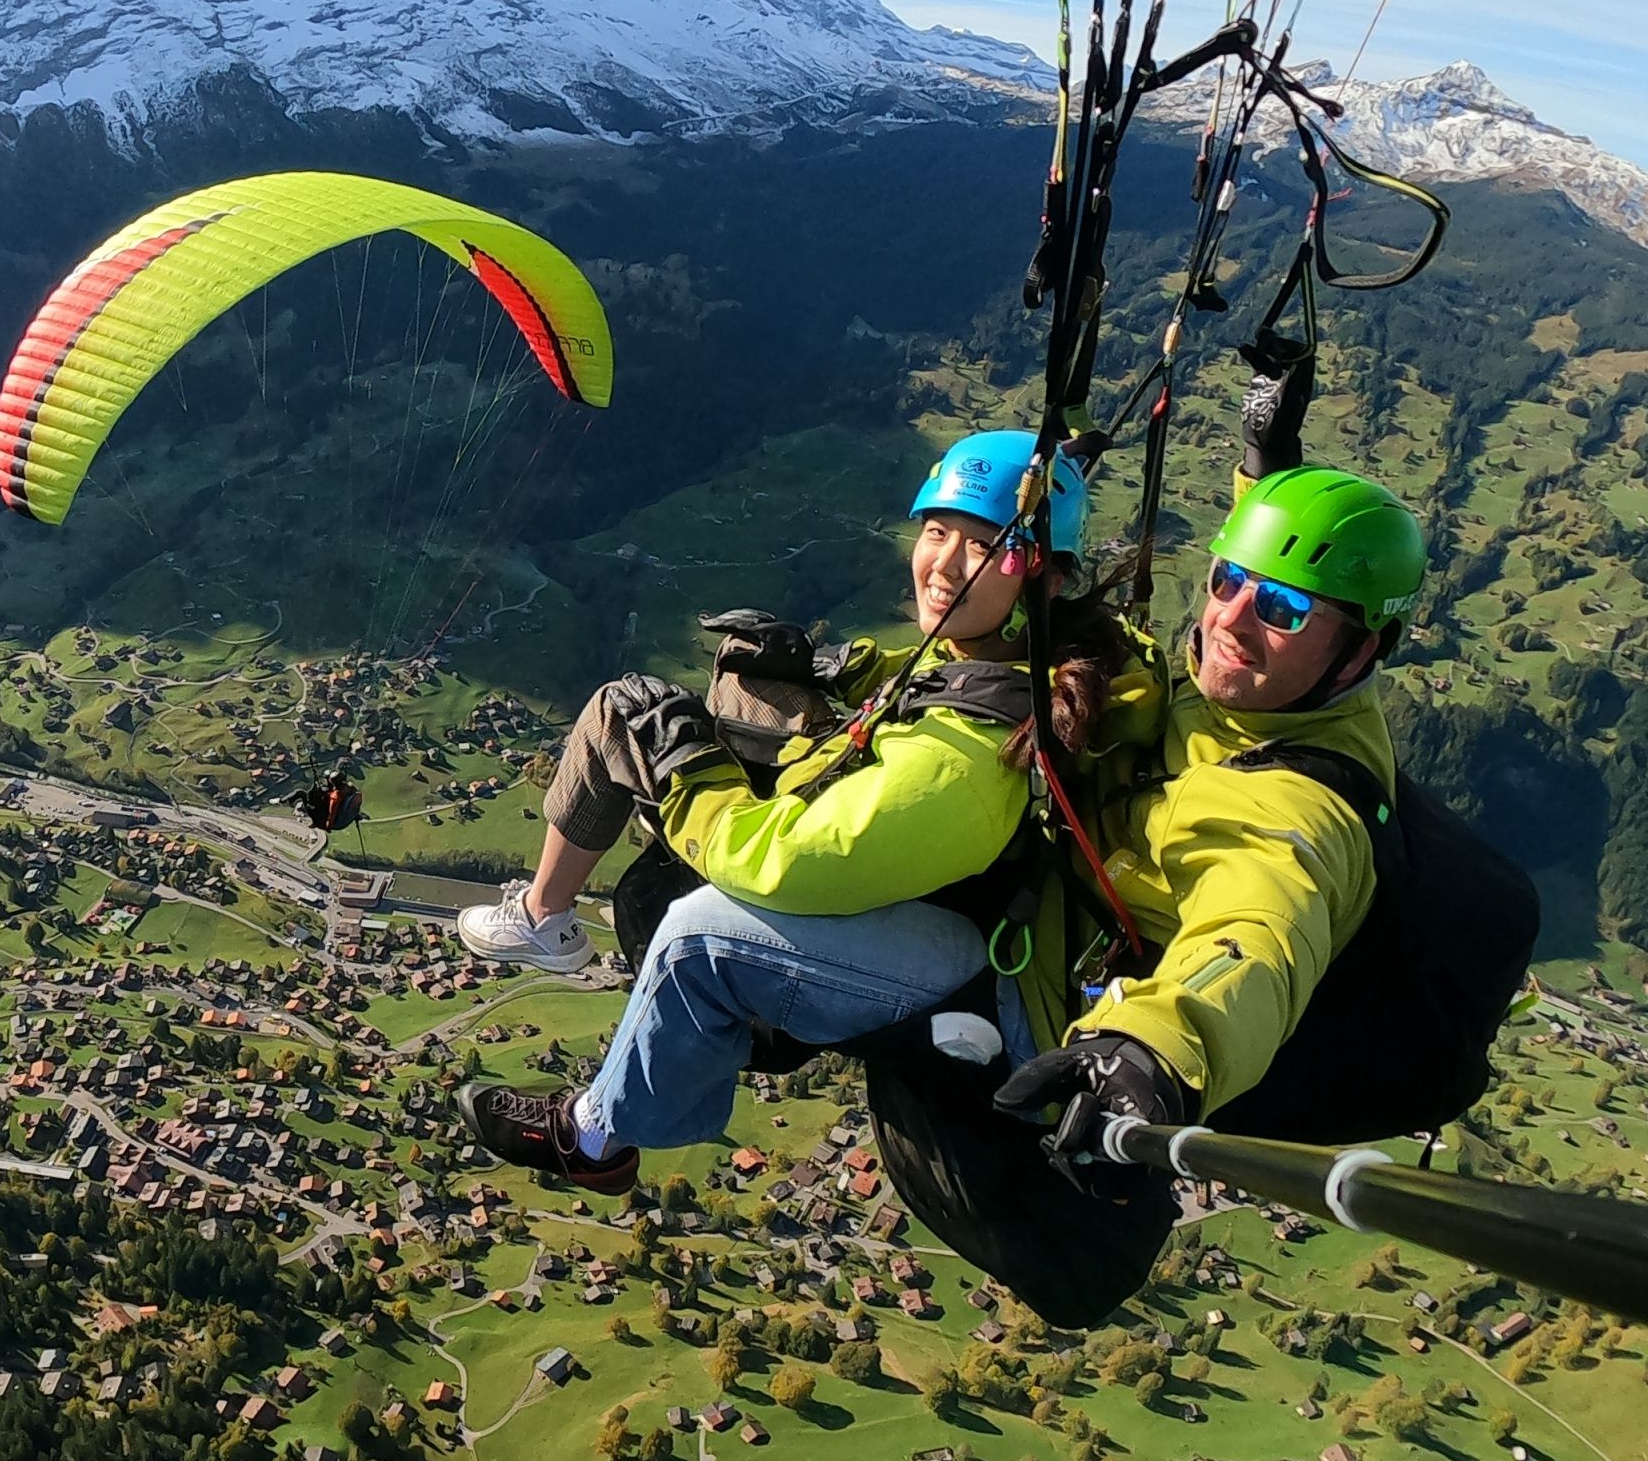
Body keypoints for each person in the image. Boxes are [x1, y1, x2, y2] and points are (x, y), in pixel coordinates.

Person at [451, 431, 1144, 1190]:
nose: (943, 563)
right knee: (738, 693)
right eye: (938, 531)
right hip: (951, 900)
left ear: (1041, 578)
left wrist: (692, 778)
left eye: (980, 546)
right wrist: (836, 671)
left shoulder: (968, 765)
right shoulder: (1031, 655)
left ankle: (592, 1139)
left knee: (693, 932)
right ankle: (547, 923)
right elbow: (941, 685)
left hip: (970, 982)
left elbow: (788, 865)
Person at [989, 441, 1428, 1169]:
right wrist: (1264, 464)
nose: (1231, 619)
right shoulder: (1261, 694)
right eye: (1226, 580)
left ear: (1360, 651)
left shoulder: (1298, 810)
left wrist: (1152, 1046)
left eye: (1284, 608)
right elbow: (1270, 577)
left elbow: (1258, 936)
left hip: (1044, 1021)